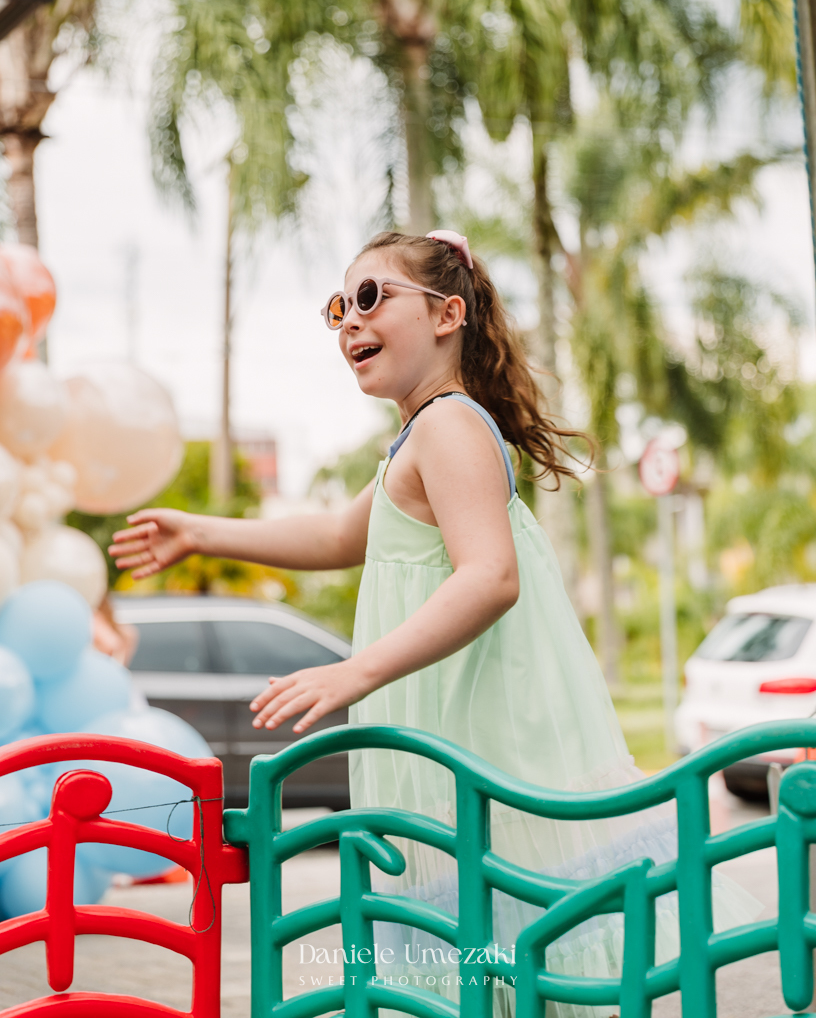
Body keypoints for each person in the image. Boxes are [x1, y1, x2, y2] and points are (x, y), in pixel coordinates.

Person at [109, 230, 758, 1018]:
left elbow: (491, 577)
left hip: (483, 735)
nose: (350, 320)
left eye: (373, 296)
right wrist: (203, 531)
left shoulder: (450, 424)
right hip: (460, 732)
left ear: (448, 313)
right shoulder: (420, 436)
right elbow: (340, 538)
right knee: (491, 952)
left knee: (504, 952)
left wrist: (356, 671)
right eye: (339, 307)